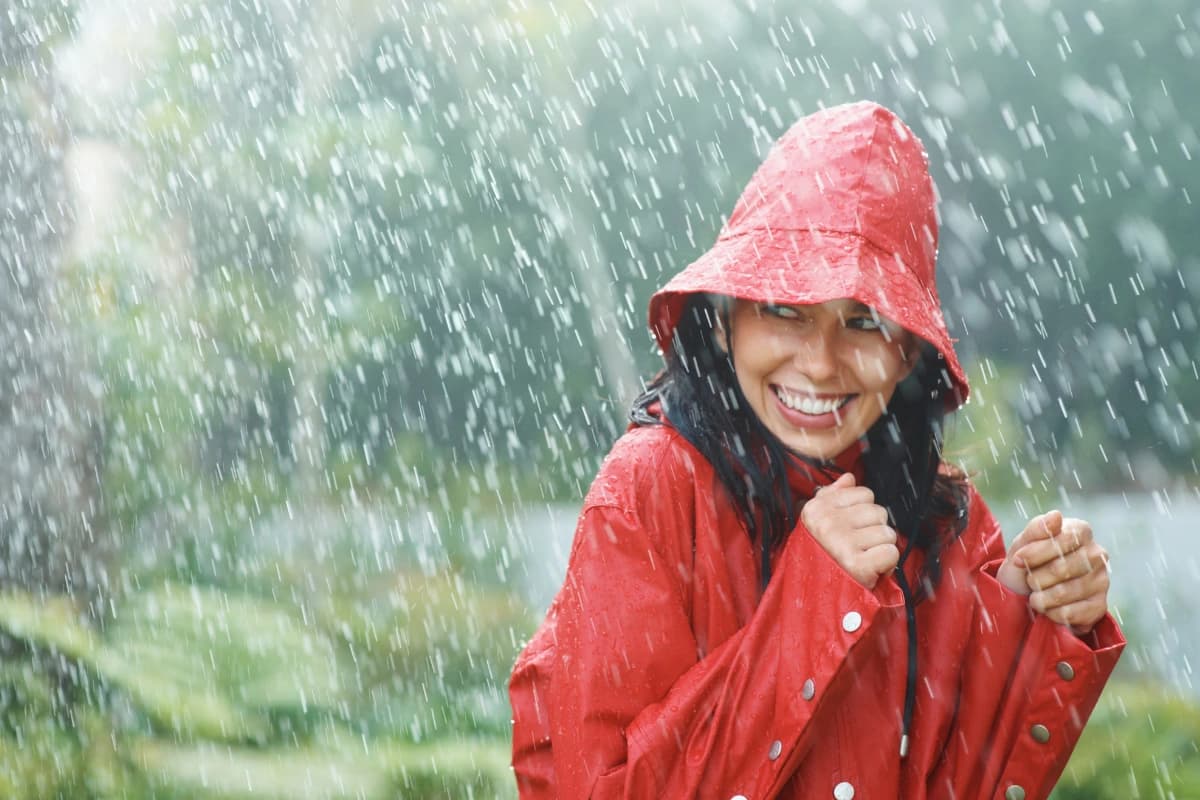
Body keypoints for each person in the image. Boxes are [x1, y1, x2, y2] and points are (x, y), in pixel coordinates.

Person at [509, 101, 1124, 799]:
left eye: (863, 322)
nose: (822, 363)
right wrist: (815, 600)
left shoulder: (944, 515)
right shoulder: (648, 492)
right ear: (724, 322)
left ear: (907, 355)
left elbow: (957, 783)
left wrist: (1032, 614)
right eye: (784, 310)